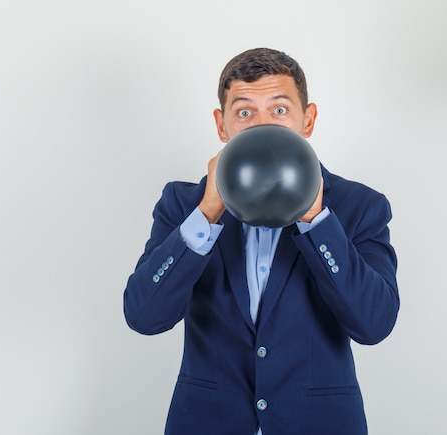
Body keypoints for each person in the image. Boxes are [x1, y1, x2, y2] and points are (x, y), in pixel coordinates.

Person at [123, 47, 399, 435]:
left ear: (309, 119)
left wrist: (314, 219)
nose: (262, 125)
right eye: (245, 111)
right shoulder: (184, 204)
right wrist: (208, 213)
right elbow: (143, 316)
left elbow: (375, 324)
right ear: (222, 125)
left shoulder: (360, 206)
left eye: (280, 109)